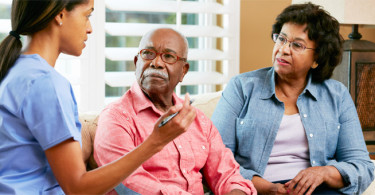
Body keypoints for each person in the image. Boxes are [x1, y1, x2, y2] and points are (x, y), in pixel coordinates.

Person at [0, 1, 195, 194]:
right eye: (87, 15)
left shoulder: (15, 70)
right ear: (60, 15)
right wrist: (156, 142)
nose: (90, 28)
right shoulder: (45, 83)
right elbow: (78, 188)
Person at [211, 2, 374, 195]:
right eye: (281, 39)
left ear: (317, 59)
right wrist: (266, 187)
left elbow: (362, 166)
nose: (283, 49)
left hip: (319, 190)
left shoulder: (337, 95)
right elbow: (216, 158)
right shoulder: (241, 87)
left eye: (297, 45)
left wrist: (324, 173)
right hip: (255, 189)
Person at [94, 28, 257, 195]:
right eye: (148, 54)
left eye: (168, 57)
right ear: (137, 63)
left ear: (184, 71)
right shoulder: (116, 118)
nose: (156, 63)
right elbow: (129, 182)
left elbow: (227, 175)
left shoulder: (197, 119)